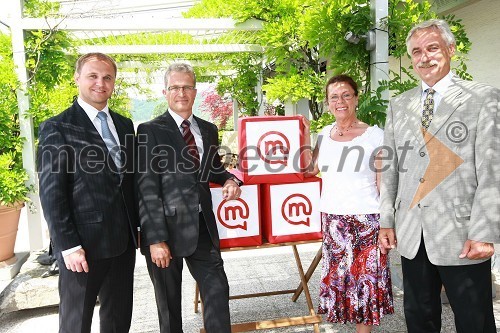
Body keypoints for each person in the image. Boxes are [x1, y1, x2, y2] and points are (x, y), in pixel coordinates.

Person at [379, 19, 500, 333]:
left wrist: (484, 232)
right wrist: (387, 220)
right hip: (412, 233)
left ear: (450, 49)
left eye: (432, 48)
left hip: (462, 234)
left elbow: (492, 170)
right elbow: (392, 167)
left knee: (475, 321)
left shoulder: (482, 98)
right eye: (416, 51)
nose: (424, 57)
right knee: (419, 319)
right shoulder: (399, 104)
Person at [135, 63, 242, 333]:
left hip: (202, 226)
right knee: (169, 305)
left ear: (195, 91)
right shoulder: (150, 130)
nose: (181, 92)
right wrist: (155, 239)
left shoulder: (207, 129)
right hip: (166, 231)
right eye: (175, 87)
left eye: (187, 87)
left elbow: (211, 168)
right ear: (165, 92)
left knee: (217, 289)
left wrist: (231, 179)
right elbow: (146, 186)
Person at [37, 53, 139, 333]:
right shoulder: (57, 127)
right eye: (92, 76)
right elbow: (51, 192)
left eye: (107, 77)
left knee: (118, 320)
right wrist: (67, 245)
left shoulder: (125, 125)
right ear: (77, 78)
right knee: (75, 322)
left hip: (123, 244)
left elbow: (130, 184)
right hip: (82, 247)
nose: (100, 83)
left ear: (114, 82)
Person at [303, 74, 394, 333]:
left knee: (365, 285)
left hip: (367, 219)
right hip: (333, 219)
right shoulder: (323, 135)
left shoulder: (375, 135)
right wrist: (300, 136)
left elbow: (383, 183)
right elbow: (310, 170)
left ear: (356, 99)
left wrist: (388, 223)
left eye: (346, 95)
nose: (340, 101)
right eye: (334, 97)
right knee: (342, 283)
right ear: (328, 103)